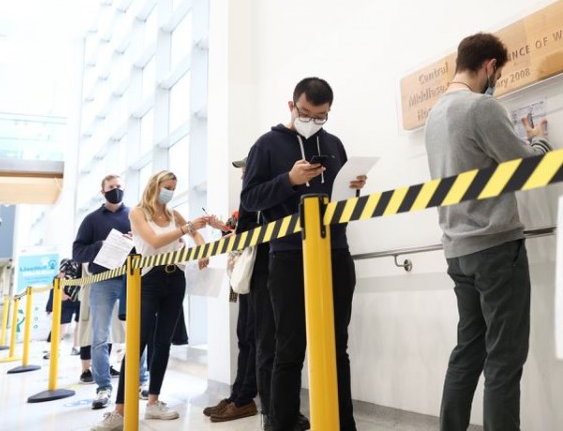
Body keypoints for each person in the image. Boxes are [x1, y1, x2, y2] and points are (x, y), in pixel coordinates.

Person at [424, 32, 552, 431]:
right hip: (495, 247)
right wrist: (539, 141)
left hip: (457, 250)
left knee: (469, 351)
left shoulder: (434, 116)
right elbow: (525, 167)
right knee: (505, 357)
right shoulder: (481, 107)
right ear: (490, 66)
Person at [241, 77, 366, 431]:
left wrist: (351, 189)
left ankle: (343, 424)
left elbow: (341, 204)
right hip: (289, 256)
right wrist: (289, 181)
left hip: (336, 252)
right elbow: (250, 200)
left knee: (337, 348)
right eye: (306, 113)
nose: (313, 120)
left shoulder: (334, 143)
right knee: (289, 348)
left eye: (321, 115)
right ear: (292, 106)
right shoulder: (266, 145)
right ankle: (281, 425)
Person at [92, 170, 224, 431]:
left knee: (163, 342)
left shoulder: (174, 215)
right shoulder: (138, 213)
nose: (170, 192)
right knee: (137, 342)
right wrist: (187, 229)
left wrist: (200, 249)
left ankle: (153, 402)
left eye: (174, 188)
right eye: (167, 186)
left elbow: (195, 236)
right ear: (155, 186)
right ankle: (119, 410)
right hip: (148, 280)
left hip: (175, 279)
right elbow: (153, 241)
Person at [202, 157, 263, 425]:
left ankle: (245, 398)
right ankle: (238, 394)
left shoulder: (262, 195)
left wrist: (234, 234)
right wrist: (228, 232)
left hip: (260, 272)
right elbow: (240, 229)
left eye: (246, 170)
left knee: (252, 336)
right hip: (244, 274)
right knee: (244, 336)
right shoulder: (247, 199)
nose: (242, 175)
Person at [72, 175, 135, 410]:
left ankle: (139, 382)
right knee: (100, 335)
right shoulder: (91, 220)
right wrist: (101, 245)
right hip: (103, 281)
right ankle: (103, 386)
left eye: (119, 187)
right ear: (102, 191)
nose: (116, 190)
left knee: (139, 331)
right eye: (111, 187)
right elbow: (78, 253)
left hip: (132, 279)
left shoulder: (134, 216)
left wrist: (134, 240)